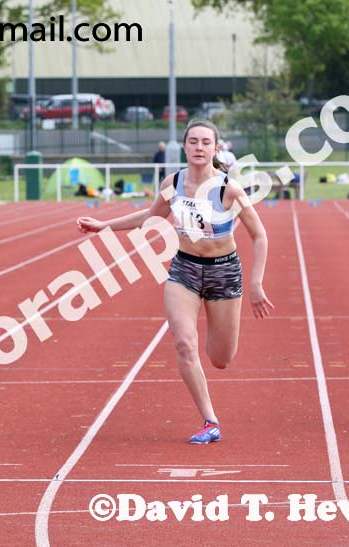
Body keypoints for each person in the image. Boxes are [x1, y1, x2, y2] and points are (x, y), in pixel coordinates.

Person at [77, 120, 274, 444]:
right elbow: (148, 216)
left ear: (215, 148)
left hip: (224, 272)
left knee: (221, 359)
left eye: (205, 142)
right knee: (184, 343)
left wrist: (256, 284)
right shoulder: (174, 182)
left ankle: (216, 331)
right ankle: (210, 420)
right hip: (184, 269)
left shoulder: (229, 189)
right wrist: (103, 226)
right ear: (184, 146)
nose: (199, 147)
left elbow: (260, 235)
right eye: (193, 141)